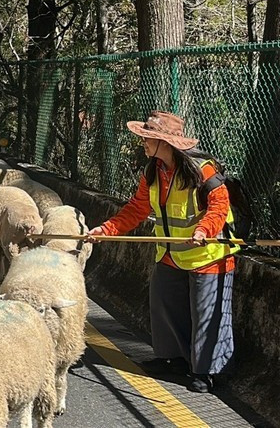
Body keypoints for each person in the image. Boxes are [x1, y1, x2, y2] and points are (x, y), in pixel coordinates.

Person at [87, 111, 236, 393]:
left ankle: (209, 371)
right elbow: (136, 209)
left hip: (208, 255)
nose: (142, 142)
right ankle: (174, 359)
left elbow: (219, 206)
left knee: (207, 315)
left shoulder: (202, 169)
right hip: (171, 253)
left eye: (148, 138)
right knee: (164, 303)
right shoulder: (153, 171)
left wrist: (204, 229)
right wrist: (105, 230)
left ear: (166, 142)